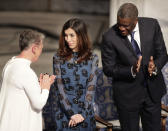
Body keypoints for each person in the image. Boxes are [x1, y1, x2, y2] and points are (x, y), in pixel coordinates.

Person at [101, 3, 168, 131]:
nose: (121, 28)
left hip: (152, 93)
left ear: (135, 20)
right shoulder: (109, 37)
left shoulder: (152, 25)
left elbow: (163, 54)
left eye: (125, 25)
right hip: (127, 97)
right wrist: (130, 70)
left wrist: (155, 67)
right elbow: (108, 68)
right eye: (119, 24)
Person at [43, 18, 99, 131]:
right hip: (64, 113)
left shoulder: (93, 58)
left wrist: (82, 114)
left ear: (81, 35)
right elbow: (60, 88)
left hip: (86, 113)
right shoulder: (58, 57)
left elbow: (91, 89)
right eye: (66, 35)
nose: (68, 39)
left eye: (72, 35)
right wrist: (72, 114)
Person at [0, 30, 55, 131]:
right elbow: (38, 103)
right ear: (34, 49)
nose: (40, 52)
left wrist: (38, 86)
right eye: (41, 49)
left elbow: (22, 93)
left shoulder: (10, 64)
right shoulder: (25, 71)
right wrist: (46, 87)